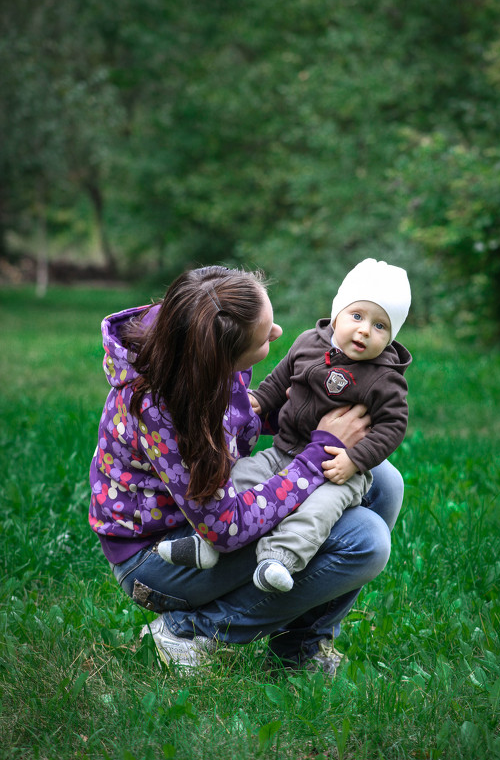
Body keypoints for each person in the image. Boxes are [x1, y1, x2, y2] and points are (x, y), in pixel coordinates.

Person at [89, 265, 403, 674]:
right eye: (264, 338)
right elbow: (223, 525)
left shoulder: (197, 326)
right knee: (364, 540)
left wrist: (302, 410)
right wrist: (318, 451)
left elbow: (235, 419)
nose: (277, 335)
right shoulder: (165, 410)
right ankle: (190, 633)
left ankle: (301, 644)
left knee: (384, 483)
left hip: (204, 514)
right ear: (223, 357)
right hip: (161, 555)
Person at [158, 259, 411, 596]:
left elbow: (393, 427)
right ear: (337, 313)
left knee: (318, 511)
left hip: (338, 467)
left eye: (381, 326)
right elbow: (283, 376)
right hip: (284, 450)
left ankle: (278, 559)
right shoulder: (309, 342)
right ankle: (207, 540)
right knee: (242, 476)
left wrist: (355, 460)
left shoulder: (385, 378)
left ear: (391, 337)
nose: (365, 330)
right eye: (357, 316)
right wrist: (261, 399)